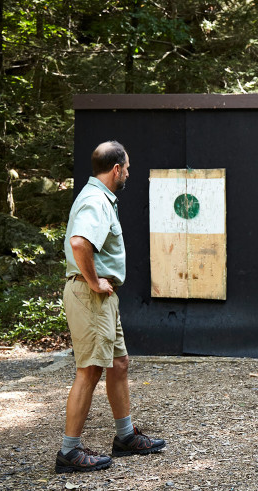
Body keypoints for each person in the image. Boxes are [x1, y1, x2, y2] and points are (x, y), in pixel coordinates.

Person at [55, 140, 166, 473]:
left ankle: (125, 436)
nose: (128, 173)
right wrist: (92, 281)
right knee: (89, 370)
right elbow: (79, 243)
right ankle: (69, 452)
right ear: (116, 169)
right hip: (90, 297)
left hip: (102, 300)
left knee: (119, 364)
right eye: (128, 168)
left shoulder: (100, 199)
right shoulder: (95, 201)